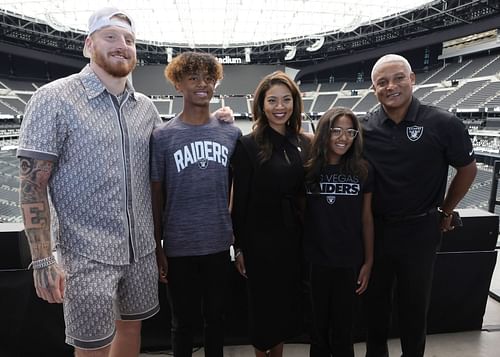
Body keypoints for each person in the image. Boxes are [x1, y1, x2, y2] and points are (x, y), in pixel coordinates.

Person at [17, 7, 161, 356]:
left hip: (140, 251)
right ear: (88, 45)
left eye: (129, 40)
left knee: (131, 331)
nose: (122, 45)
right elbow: (33, 185)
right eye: (110, 36)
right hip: (85, 254)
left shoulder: (146, 108)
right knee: (92, 347)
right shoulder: (54, 98)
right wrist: (41, 259)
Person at [361, 54, 477, 357]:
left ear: (412, 79)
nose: (391, 86)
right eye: (382, 82)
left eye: (398, 78)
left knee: (414, 310)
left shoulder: (443, 122)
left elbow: (467, 169)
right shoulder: (366, 127)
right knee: (376, 309)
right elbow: (325, 140)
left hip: (421, 231)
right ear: (374, 89)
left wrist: (446, 210)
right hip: (378, 232)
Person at [150, 51, 241, 357]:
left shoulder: (232, 132)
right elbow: (156, 193)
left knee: (216, 320)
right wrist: (158, 245)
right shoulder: (162, 137)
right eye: (193, 78)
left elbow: (237, 188)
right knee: (182, 324)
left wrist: (233, 234)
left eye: (208, 78)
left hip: (217, 244)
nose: (202, 84)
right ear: (178, 85)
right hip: (179, 247)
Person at [231, 71, 311, 357]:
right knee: (263, 309)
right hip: (259, 240)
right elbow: (238, 202)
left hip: (292, 238)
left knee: (283, 308)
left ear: (295, 103)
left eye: (287, 100)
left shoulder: (303, 142)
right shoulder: (248, 144)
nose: (280, 107)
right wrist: (239, 247)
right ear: (261, 105)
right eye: (273, 100)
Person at [303, 107, 374, 357]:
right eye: (336, 131)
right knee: (318, 334)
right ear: (324, 133)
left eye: (350, 132)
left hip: (348, 263)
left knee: (344, 334)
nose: (343, 137)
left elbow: (366, 219)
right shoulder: (308, 170)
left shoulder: (363, 170)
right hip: (315, 262)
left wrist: (368, 260)